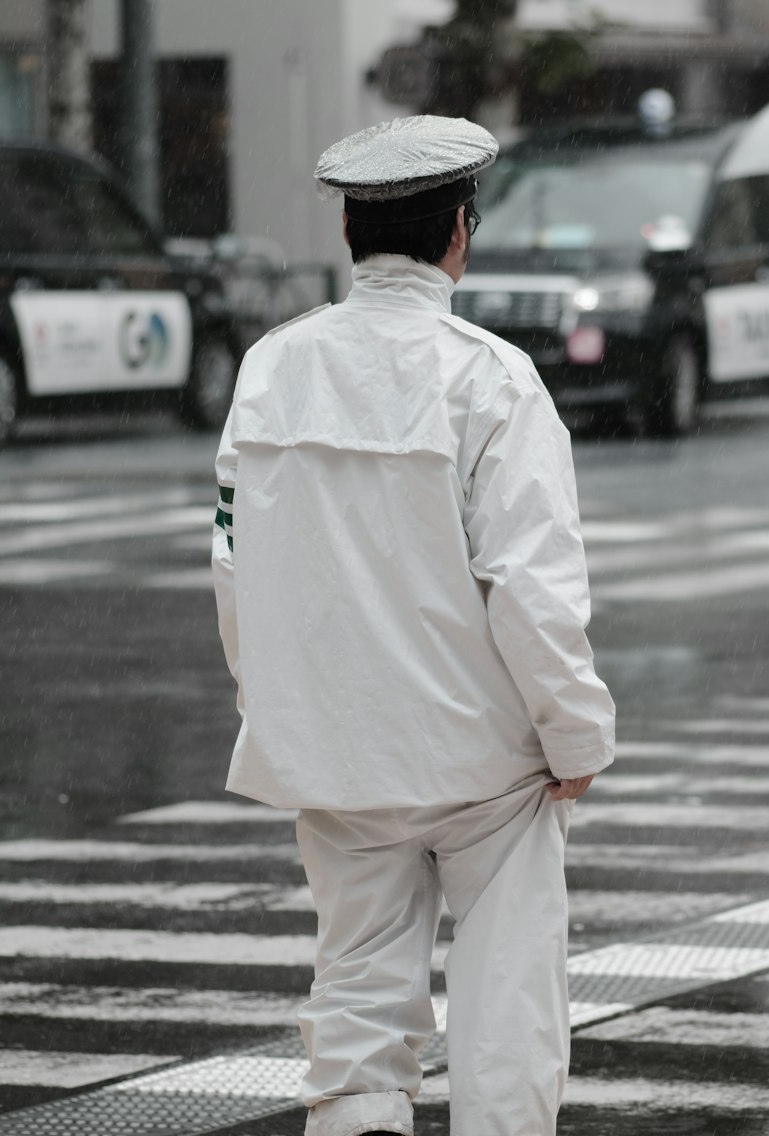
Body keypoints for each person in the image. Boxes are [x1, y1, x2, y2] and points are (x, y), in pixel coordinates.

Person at [211, 115, 615, 1136]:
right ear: (460, 232)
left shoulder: (271, 371)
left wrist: (278, 709)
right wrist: (575, 736)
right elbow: (532, 589)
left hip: (339, 753)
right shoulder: (491, 379)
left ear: (350, 232)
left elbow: (233, 567)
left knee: (354, 1014)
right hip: (488, 767)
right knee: (505, 1012)